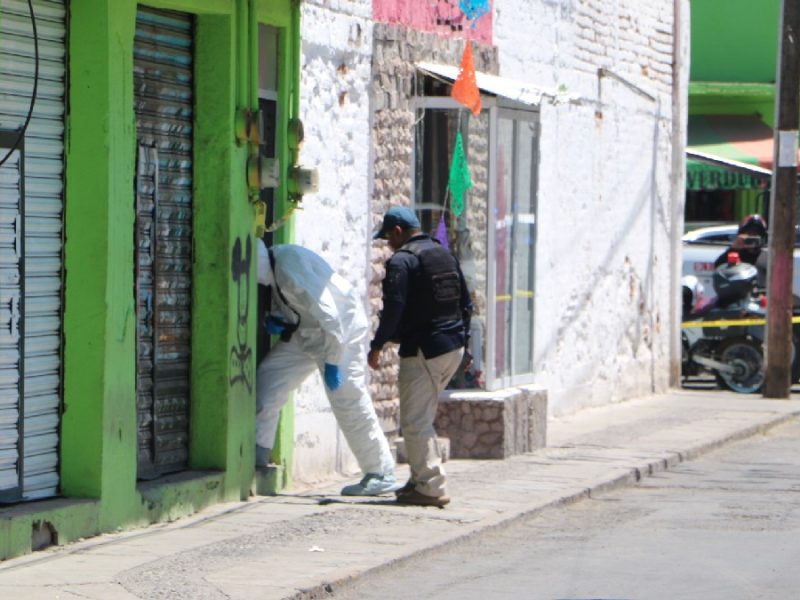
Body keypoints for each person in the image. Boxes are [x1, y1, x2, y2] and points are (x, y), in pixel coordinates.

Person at [255, 240, 399, 496]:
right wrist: (282, 321)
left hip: (341, 334)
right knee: (270, 379)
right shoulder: (279, 266)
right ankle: (258, 452)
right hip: (309, 336)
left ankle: (380, 471)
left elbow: (330, 316)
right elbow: (299, 308)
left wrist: (333, 362)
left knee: (348, 399)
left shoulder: (287, 268)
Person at [370, 206, 473, 508]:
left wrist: (377, 345)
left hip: (424, 350)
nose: (388, 243)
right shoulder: (443, 254)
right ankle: (418, 480)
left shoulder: (402, 261)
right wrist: (465, 344)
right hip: (452, 347)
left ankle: (430, 487)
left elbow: (394, 309)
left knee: (415, 421)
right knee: (422, 416)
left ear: (398, 231)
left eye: (388, 237)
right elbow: (465, 303)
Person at [713, 214, 769, 281]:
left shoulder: (767, 257)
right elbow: (718, 267)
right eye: (749, 233)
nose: (752, 237)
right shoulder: (735, 254)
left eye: (756, 234)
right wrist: (734, 248)